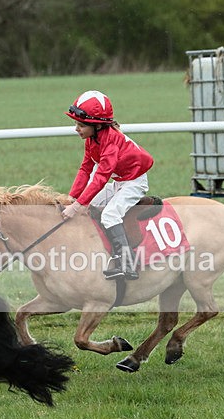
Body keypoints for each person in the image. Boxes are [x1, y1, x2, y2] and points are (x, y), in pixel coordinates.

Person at [61, 90, 154, 280]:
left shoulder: (111, 142)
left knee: (110, 215)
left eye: (81, 125)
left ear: (96, 125)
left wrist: (78, 206)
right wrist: (72, 198)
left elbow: (101, 177)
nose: (76, 129)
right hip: (120, 181)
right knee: (91, 203)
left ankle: (128, 265)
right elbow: (85, 169)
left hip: (134, 183)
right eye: (76, 124)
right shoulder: (93, 138)